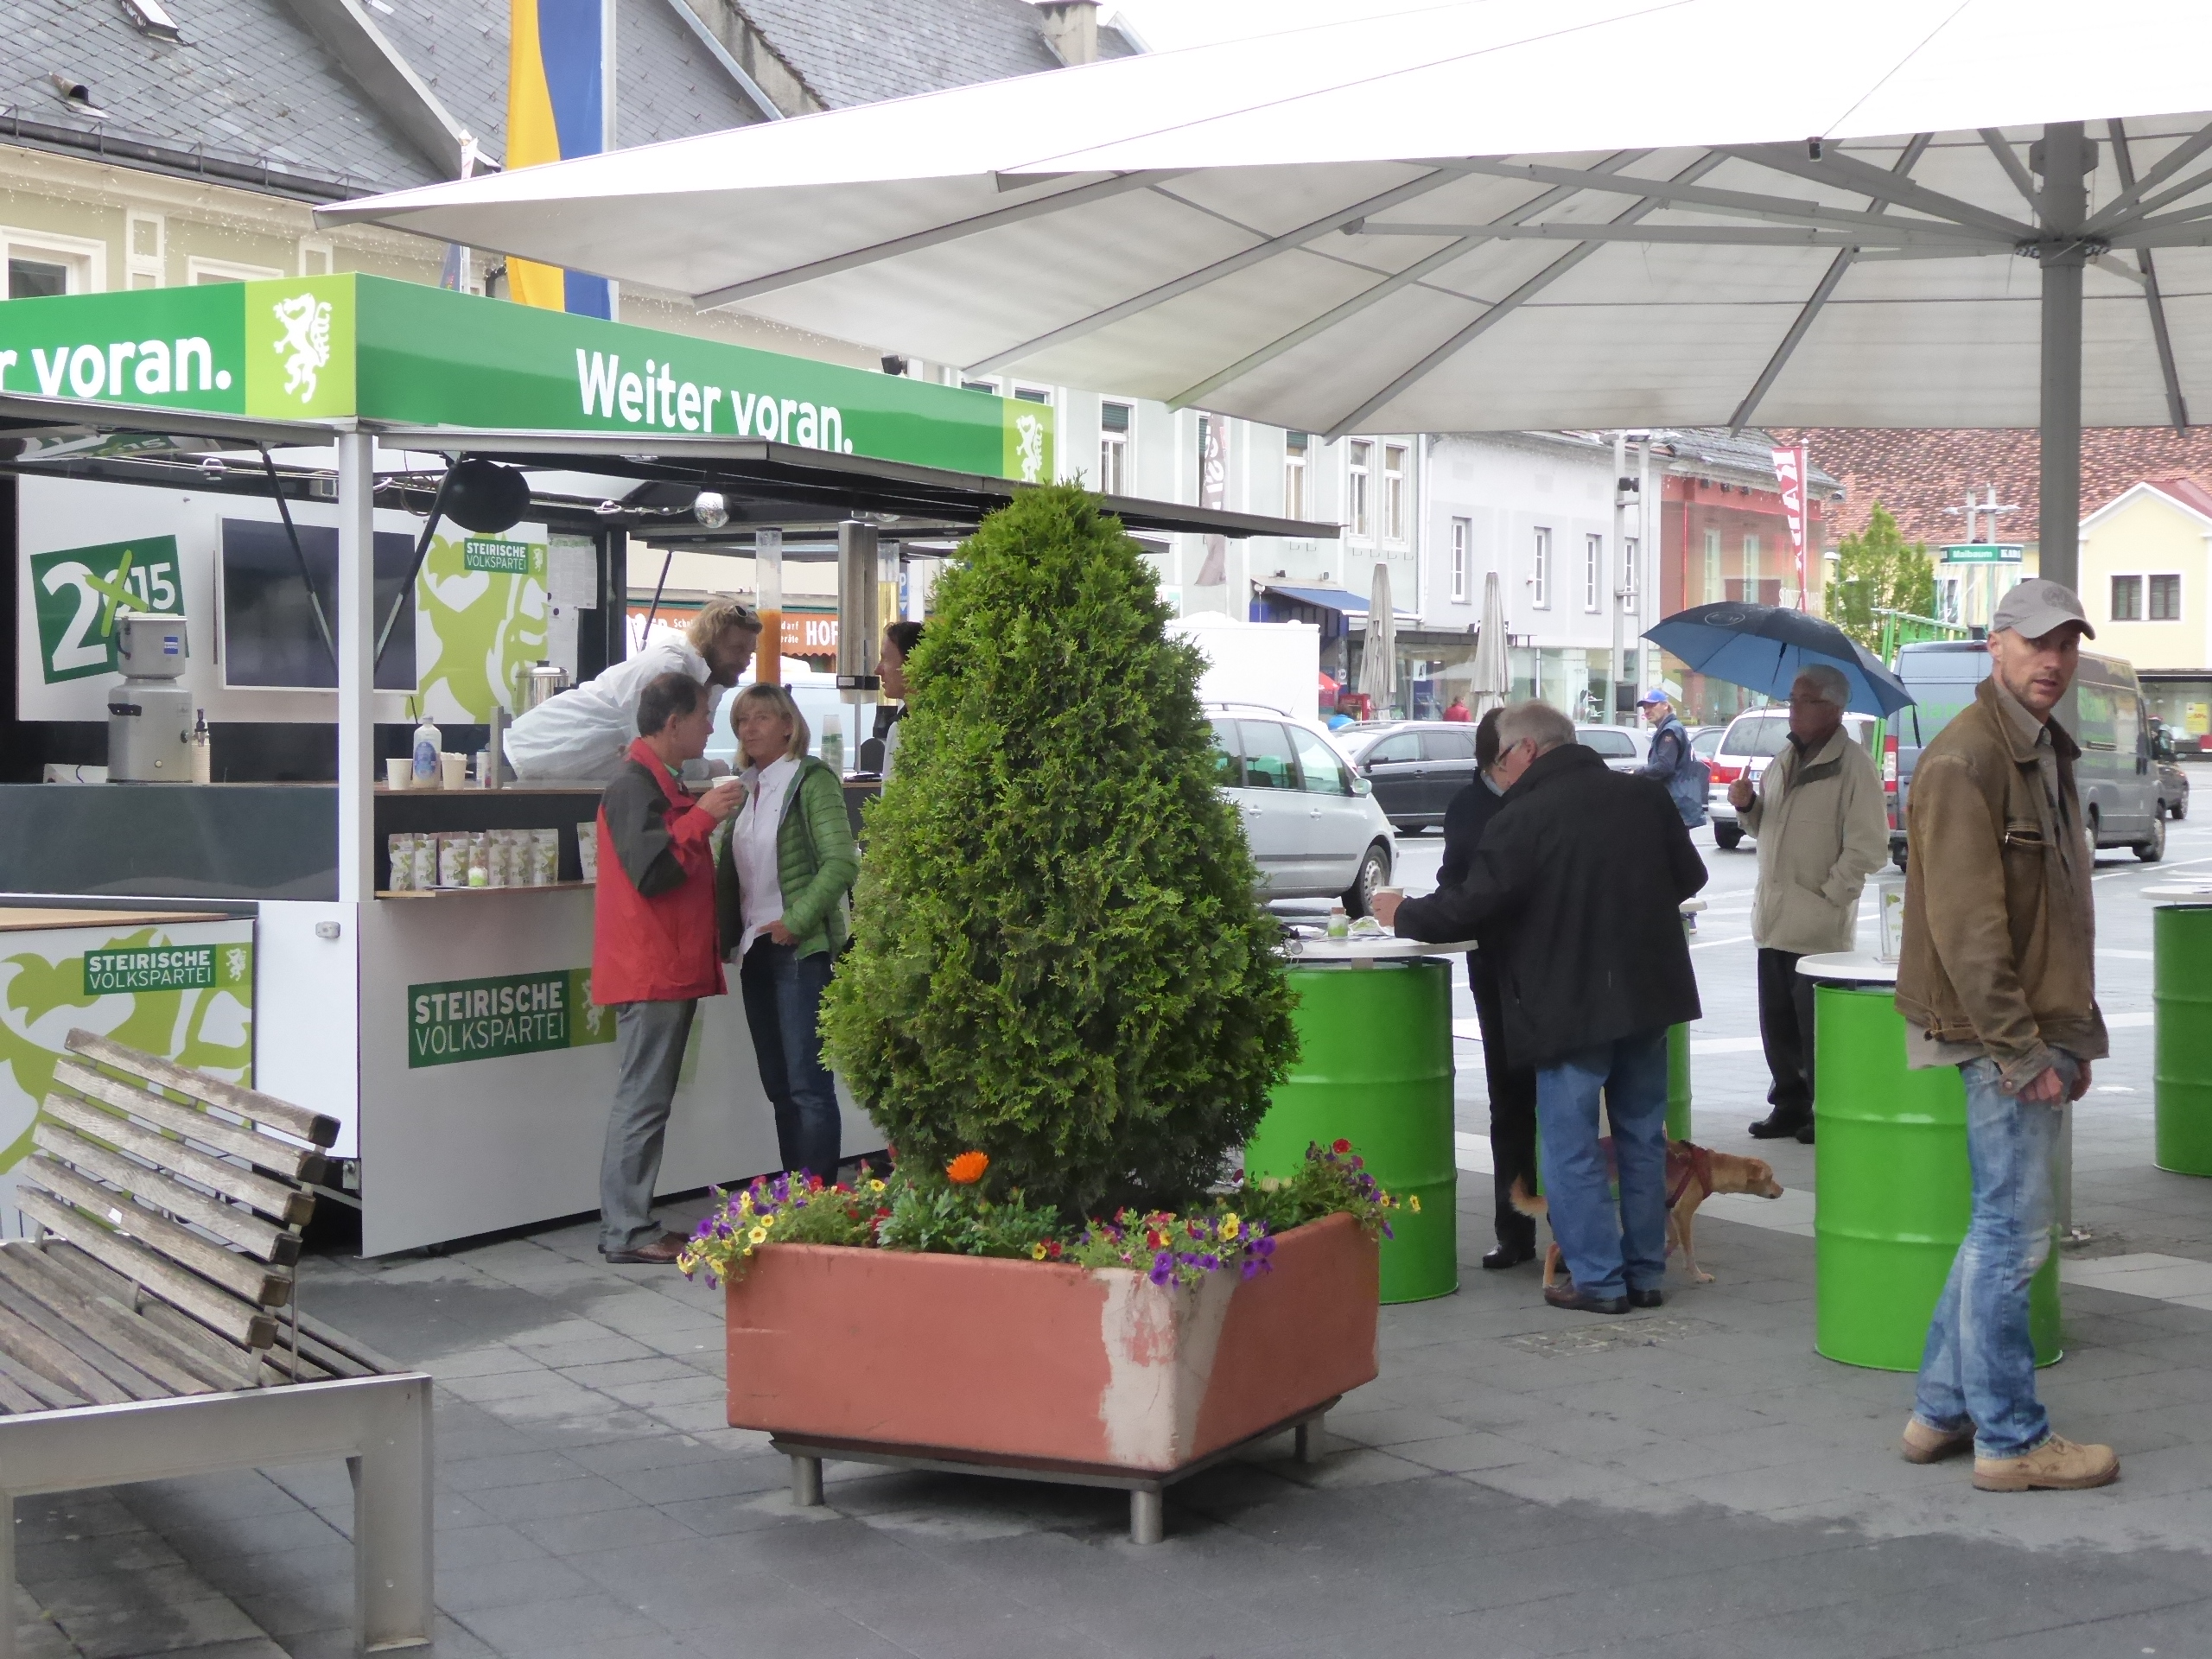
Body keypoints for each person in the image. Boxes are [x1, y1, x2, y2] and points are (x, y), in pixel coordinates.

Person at [1376, 701, 1706, 1313]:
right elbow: (1690, 877)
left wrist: (1404, 914)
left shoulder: (1521, 816)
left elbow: (1471, 904)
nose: (1498, 772)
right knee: (1641, 1136)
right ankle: (1644, 1273)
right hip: (1648, 992)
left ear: (1527, 749)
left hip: (1568, 1001)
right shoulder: (1643, 797)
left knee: (1569, 1143)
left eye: (1501, 758)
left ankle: (1599, 1280)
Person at [1896, 579, 2115, 1492]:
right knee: (2011, 1238)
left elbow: (2056, 910)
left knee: (1997, 1228)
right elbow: (1969, 930)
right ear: (1994, 646)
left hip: (2031, 1027)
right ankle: (2012, 1438)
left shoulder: (2036, 747)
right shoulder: (1969, 758)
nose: (2052, 660)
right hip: (1999, 1037)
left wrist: (2074, 1032)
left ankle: (1941, 1412)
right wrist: (2024, 1051)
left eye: (2065, 644)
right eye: (2035, 642)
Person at [592, 673, 743, 1264]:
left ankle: (631, 1224)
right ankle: (627, 1230)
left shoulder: (651, 782)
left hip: (663, 966)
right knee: (642, 1101)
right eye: (704, 714)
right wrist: (703, 817)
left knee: (646, 1099)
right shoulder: (633, 786)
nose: (711, 725)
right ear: (673, 722)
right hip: (652, 968)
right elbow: (652, 874)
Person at [1735, 664, 1888, 1145]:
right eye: (1792, 699)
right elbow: (1765, 827)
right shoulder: (1784, 758)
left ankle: (1825, 1107)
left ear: (1834, 708)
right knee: (1777, 1023)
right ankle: (1789, 1103)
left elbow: (1870, 847)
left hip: (1818, 923)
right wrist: (1746, 805)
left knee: (1814, 1026)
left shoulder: (1854, 766)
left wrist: (1831, 895)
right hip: (1774, 916)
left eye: (1805, 700)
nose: (1793, 709)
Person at [717, 683, 861, 1182]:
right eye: (741, 720)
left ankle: (820, 1198)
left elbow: (842, 861)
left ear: (787, 725)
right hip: (755, 948)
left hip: (799, 948)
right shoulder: (743, 789)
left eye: (760, 717)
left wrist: (796, 921)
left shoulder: (811, 779)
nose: (748, 728)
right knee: (779, 1087)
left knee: (808, 1087)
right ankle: (795, 1197)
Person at [1436, 709, 1538, 1268]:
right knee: (1509, 1099)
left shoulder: (1541, 797)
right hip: (1496, 965)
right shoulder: (1469, 807)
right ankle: (1514, 1229)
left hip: (1548, 964)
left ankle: (1571, 1234)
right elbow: (1455, 881)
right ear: (1499, 755)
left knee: (1561, 1098)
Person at [506, 597, 763, 783]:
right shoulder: (668, 669)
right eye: (737, 649)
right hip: (524, 759)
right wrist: (711, 770)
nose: (745, 661)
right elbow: (656, 756)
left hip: (556, 775)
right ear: (710, 641)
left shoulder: (709, 683)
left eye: (750, 652)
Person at [1637, 687, 1708, 828]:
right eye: (1645, 707)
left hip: (1676, 800)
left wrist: (1639, 773)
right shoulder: (1670, 728)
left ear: (1665, 705)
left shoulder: (1670, 731)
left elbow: (1665, 766)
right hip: (1679, 798)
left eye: (1652, 705)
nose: (1647, 710)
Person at [877, 620, 925, 779]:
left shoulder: (948, 729)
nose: (878, 670)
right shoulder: (897, 728)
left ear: (912, 662)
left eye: (885, 659)